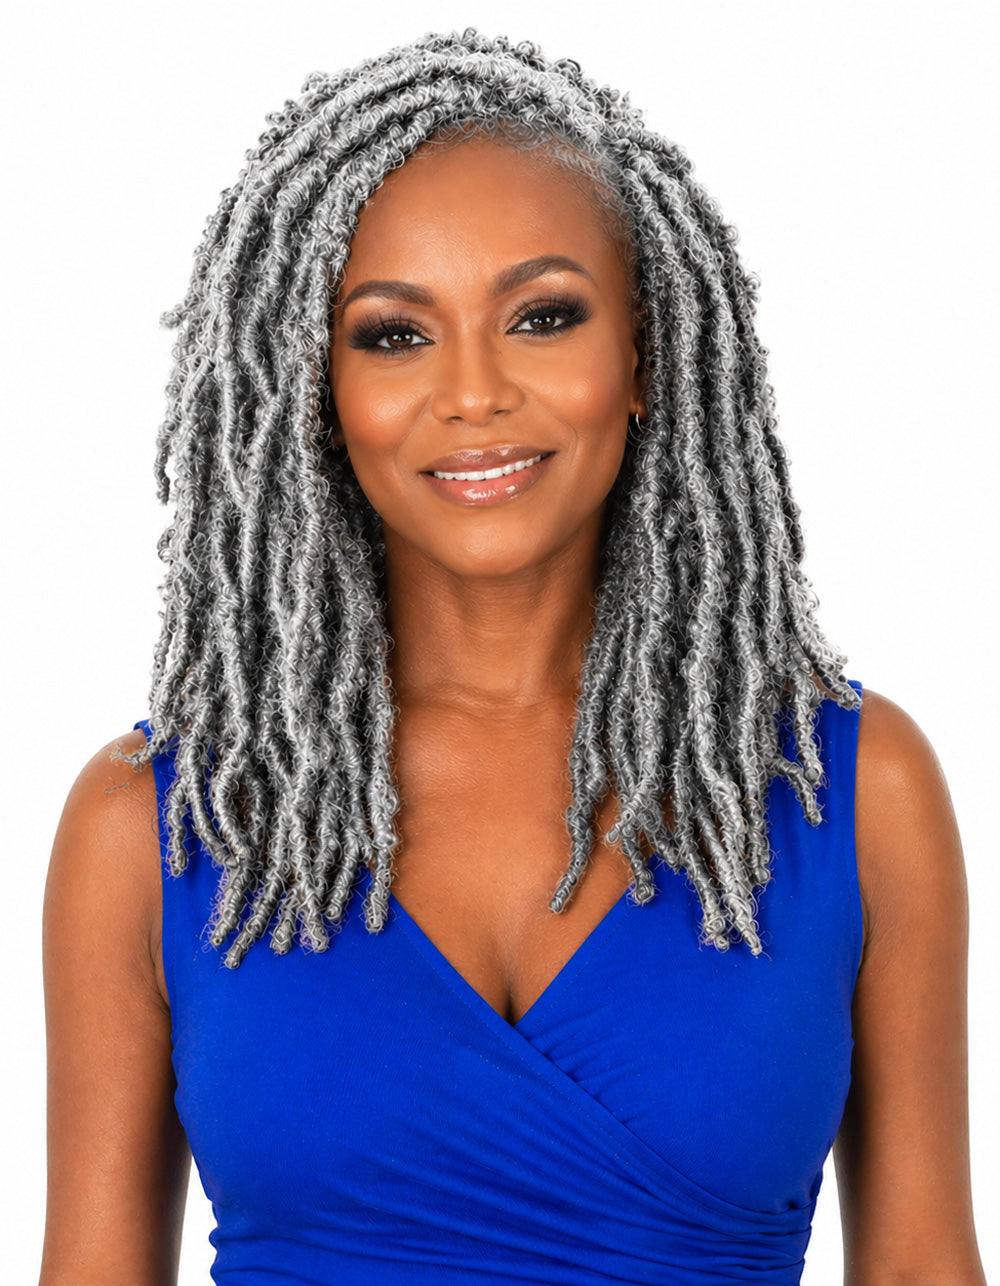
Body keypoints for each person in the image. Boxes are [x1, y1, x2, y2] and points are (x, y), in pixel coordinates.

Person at [40, 28, 985, 1285]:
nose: (474, 393)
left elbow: (922, 1262)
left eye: (542, 316)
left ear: (643, 356)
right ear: (310, 389)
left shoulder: (853, 792)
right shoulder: (153, 825)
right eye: (393, 335)